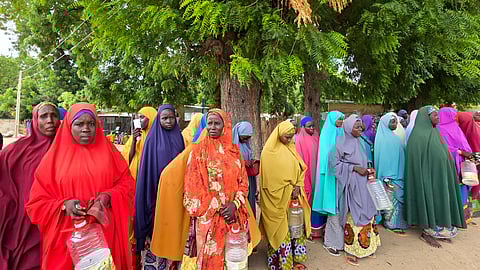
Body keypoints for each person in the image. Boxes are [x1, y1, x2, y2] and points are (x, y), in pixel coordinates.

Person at [25, 103, 134, 269]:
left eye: (91, 124)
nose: (86, 129)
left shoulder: (110, 153)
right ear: (69, 126)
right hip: (66, 239)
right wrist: (63, 205)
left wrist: (108, 196)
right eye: (79, 124)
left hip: (104, 236)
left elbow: (127, 184)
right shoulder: (53, 160)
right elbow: (36, 202)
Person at [183, 109, 253, 269]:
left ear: (225, 126)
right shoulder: (197, 152)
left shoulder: (235, 153)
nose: (213, 127)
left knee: (234, 261)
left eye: (217, 123)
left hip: (234, 218)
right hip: (209, 221)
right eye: (210, 123)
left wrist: (234, 205)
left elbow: (243, 183)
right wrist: (219, 209)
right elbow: (191, 188)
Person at [0, 102, 59, 270]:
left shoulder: (66, 149)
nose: (50, 120)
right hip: (23, 221)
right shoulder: (17, 150)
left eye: (54, 116)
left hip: (55, 219)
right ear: (35, 120)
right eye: (44, 116)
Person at [405, 106, 465, 248]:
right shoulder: (417, 137)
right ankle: (427, 231)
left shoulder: (434, 132)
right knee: (430, 200)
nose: (437, 117)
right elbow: (416, 163)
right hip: (427, 178)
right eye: (434, 115)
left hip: (440, 175)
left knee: (440, 199)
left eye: (437, 115)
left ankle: (439, 227)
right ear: (426, 117)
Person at [135, 104, 185, 269]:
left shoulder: (179, 137)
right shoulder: (151, 140)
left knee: (174, 225)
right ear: (158, 120)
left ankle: (172, 261)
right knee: (158, 226)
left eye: (171, 118)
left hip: (176, 192)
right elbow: (147, 170)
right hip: (156, 193)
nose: (169, 121)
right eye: (164, 118)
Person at [260, 120, 311, 270]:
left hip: (293, 197)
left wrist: (297, 186)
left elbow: (302, 168)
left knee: (295, 228)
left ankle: (297, 259)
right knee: (280, 231)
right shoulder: (268, 152)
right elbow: (269, 182)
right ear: (279, 134)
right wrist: (289, 189)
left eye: (291, 137)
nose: (289, 140)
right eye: (286, 137)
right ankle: (281, 263)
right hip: (276, 200)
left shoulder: (291, 149)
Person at [336, 115, 379, 266]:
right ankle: (352, 250)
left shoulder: (361, 142)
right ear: (348, 127)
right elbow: (333, 165)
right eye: (356, 127)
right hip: (351, 184)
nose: (360, 129)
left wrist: (368, 169)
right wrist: (353, 168)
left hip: (364, 184)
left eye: (361, 127)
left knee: (368, 211)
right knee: (354, 214)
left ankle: (367, 247)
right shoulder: (340, 144)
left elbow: (365, 160)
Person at [120, 106, 157, 267]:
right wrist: (134, 141)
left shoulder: (156, 137)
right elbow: (125, 161)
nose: (140, 120)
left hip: (149, 185)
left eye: (144, 117)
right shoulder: (135, 137)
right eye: (138, 117)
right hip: (133, 183)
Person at [438, 107, 474, 225]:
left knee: (462, 190)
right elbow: (443, 148)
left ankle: (462, 217)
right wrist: (461, 152)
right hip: (450, 165)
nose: (455, 118)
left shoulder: (456, 128)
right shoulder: (439, 130)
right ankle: (452, 218)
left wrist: (467, 154)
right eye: (453, 116)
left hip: (462, 165)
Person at [312, 111, 344, 242]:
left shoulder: (340, 132)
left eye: (342, 120)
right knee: (326, 199)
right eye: (339, 120)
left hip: (338, 172)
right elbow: (325, 156)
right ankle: (320, 230)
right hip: (327, 173)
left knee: (335, 201)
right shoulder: (326, 134)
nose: (341, 122)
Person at [374, 113, 408, 233]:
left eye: (395, 121)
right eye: (392, 122)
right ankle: (390, 223)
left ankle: (398, 222)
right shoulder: (382, 139)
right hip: (388, 177)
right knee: (390, 201)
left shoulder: (394, 137)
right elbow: (382, 159)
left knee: (397, 201)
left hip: (398, 174)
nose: (395, 124)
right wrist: (386, 177)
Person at [232, 121, 258, 215]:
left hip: (248, 178)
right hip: (237, 180)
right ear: (238, 134)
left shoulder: (246, 145)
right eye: (244, 137)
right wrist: (243, 163)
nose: (246, 140)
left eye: (248, 138)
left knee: (250, 202)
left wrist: (251, 162)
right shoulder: (232, 145)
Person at [458, 111, 480, 217]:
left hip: (473, 161)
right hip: (473, 161)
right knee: (474, 184)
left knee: (472, 184)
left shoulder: (468, 132)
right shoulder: (472, 128)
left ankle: (472, 207)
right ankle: (474, 208)